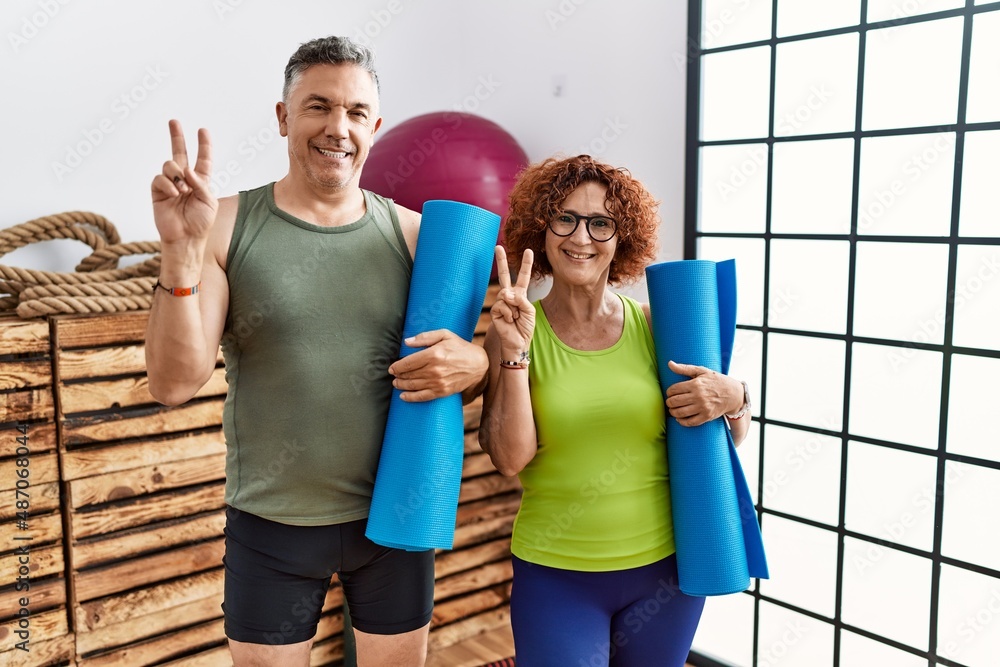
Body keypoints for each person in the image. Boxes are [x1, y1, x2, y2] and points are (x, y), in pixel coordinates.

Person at [144, 36, 489, 667]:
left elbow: (474, 355)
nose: (339, 127)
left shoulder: (415, 236)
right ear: (283, 117)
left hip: (392, 521)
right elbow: (174, 381)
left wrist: (482, 363)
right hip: (271, 527)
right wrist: (178, 253)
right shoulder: (223, 225)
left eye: (356, 112)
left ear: (375, 127)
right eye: (318, 106)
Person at [479, 155, 751, 666]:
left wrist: (736, 397)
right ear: (542, 229)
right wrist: (515, 351)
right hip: (556, 575)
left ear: (621, 237)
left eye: (600, 223)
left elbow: (722, 438)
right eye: (565, 217)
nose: (581, 237)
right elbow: (510, 459)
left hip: (665, 576)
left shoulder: (655, 324)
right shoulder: (513, 330)